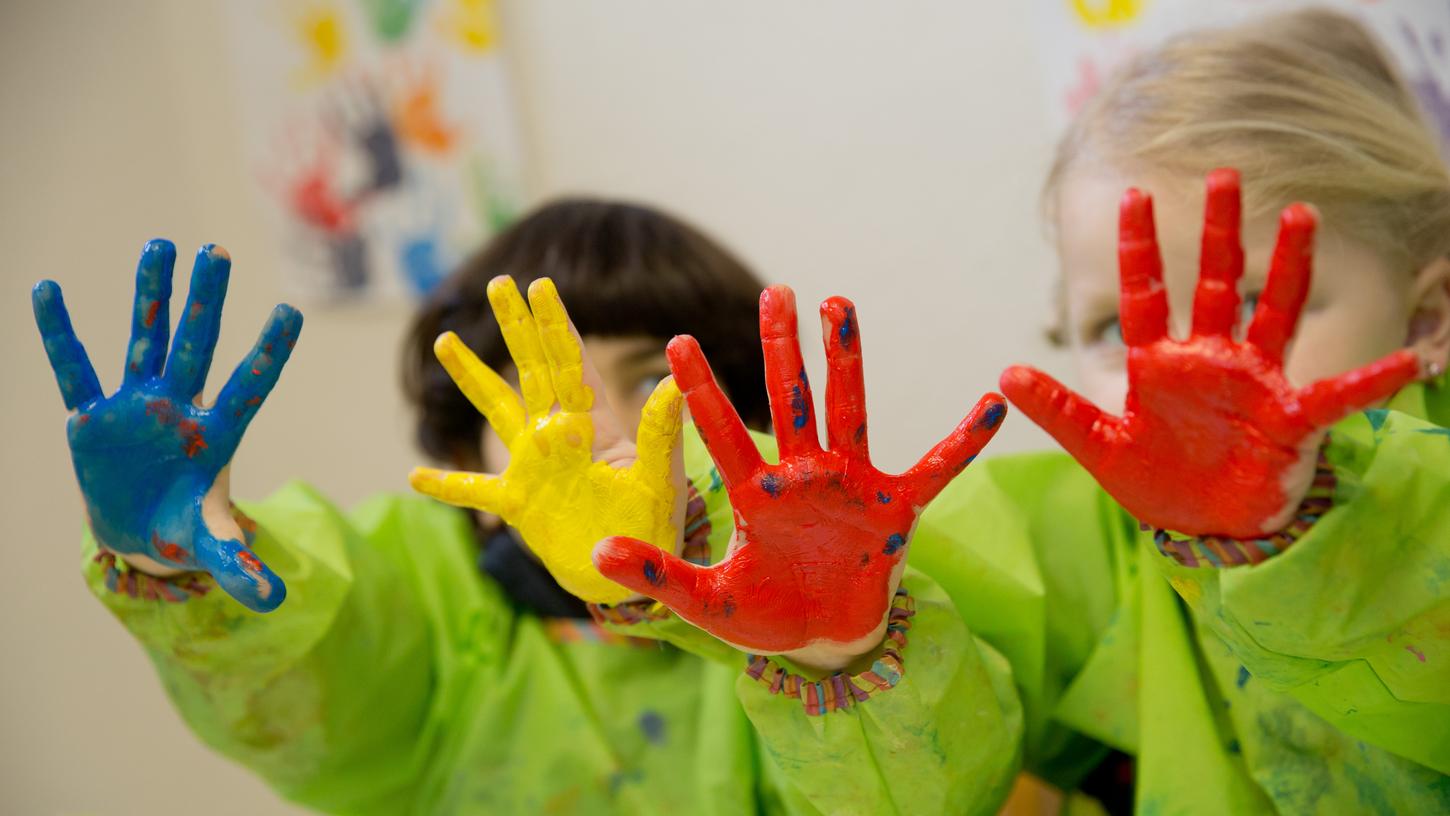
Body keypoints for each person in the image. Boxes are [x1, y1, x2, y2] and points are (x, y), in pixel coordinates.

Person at [32, 199, 1019, 814]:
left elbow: (927, 794)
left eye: (655, 381)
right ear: (468, 453)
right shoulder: (432, 592)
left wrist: (835, 653)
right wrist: (183, 566)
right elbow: (317, 679)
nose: (608, 432)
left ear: (751, 420)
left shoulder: (809, 605)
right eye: (552, 399)